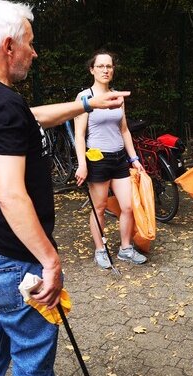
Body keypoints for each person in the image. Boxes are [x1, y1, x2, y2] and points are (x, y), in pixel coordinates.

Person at [0, 0, 129, 376]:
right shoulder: (4, 106)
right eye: (30, 43)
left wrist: (87, 103)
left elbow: (28, 116)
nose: (34, 52)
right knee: (31, 359)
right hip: (13, 261)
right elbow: (11, 194)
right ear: (9, 46)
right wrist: (50, 259)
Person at [74, 50, 147, 269]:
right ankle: (100, 250)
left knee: (127, 206)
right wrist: (82, 164)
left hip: (119, 159)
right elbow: (79, 134)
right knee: (99, 207)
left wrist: (133, 158)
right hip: (97, 159)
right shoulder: (84, 97)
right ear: (92, 70)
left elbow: (124, 130)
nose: (105, 70)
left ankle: (125, 249)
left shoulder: (117, 96)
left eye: (109, 66)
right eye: (101, 66)